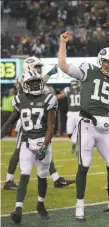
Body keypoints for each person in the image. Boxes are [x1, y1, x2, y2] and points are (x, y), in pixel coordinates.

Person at [58, 31, 109, 220]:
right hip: (86, 123)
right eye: (107, 62)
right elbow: (63, 66)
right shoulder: (88, 69)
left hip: (104, 126)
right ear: (100, 60)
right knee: (84, 165)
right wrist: (63, 44)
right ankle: (79, 205)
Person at [3, 57, 74, 190]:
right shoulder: (25, 77)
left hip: (33, 119)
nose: (40, 69)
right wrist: (50, 74)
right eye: (37, 67)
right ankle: (8, 180)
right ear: (30, 67)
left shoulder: (28, 79)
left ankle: (56, 178)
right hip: (26, 121)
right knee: (18, 152)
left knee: (43, 148)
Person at [1, 71, 58, 224]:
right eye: (31, 82)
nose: (34, 85)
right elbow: (9, 123)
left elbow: (51, 127)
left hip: (42, 142)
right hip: (26, 142)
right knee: (24, 174)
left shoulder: (48, 99)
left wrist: (44, 146)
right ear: (25, 85)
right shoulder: (19, 100)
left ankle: (40, 203)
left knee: (42, 177)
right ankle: (18, 209)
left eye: (36, 82)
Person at [56, 78, 81, 153]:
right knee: (69, 132)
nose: (74, 84)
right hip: (71, 113)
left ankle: (79, 147)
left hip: (80, 113)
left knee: (80, 131)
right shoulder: (68, 90)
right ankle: (74, 143)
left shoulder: (83, 89)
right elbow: (60, 96)